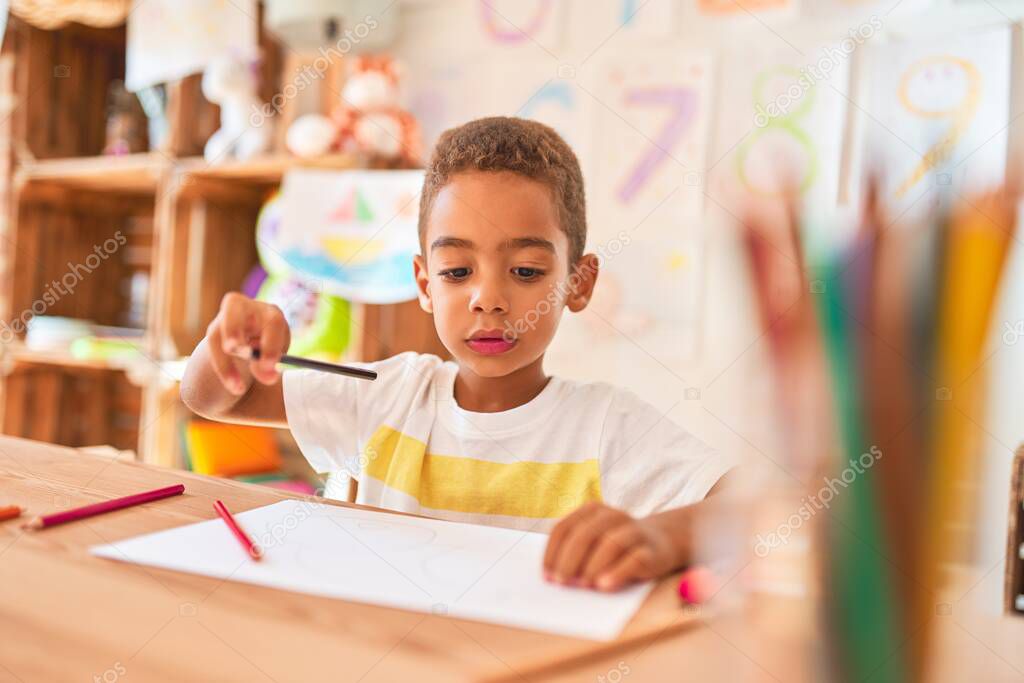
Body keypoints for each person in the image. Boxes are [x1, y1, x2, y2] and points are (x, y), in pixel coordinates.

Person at [181, 116, 737, 592]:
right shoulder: (387, 396)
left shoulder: (606, 428)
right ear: (425, 283)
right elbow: (211, 400)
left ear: (578, 282)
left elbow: (758, 507)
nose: (489, 299)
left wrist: (666, 536)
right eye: (456, 271)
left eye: (525, 271)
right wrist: (228, 347)